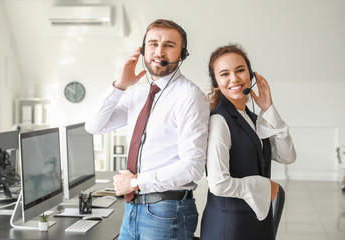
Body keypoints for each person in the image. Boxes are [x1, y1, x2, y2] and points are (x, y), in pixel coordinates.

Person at [85, 19, 209, 240]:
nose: (159, 51)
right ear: (142, 50)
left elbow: (192, 167)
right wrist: (119, 86)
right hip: (133, 208)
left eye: (169, 45)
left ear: (182, 54)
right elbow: (94, 126)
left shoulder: (189, 96)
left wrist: (134, 182)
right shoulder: (137, 94)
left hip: (167, 211)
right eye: (153, 44)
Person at [200, 44, 296, 240]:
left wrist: (268, 109)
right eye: (224, 74)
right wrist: (264, 186)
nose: (234, 78)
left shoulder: (251, 118)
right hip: (230, 226)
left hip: (255, 221)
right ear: (216, 83)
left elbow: (287, 156)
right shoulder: (219, 120)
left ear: (251, 75)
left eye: (240, 70)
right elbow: (218, 184)